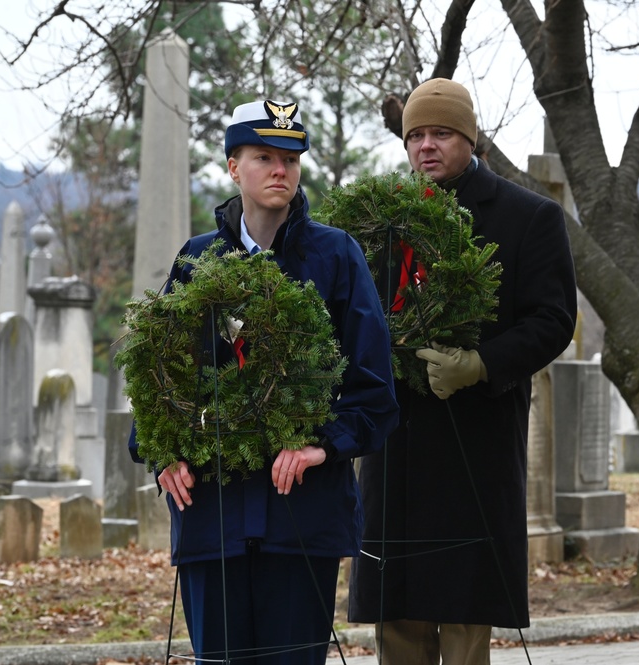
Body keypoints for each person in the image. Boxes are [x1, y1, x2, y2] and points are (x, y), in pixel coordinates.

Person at [128, 99, 399, 665]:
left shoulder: (335, 257)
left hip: (299, 516)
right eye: (264, 156)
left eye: (291, 158)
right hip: (214, 515)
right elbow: (161, 381)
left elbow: (374, 388)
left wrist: (321, 443)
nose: (281, 170)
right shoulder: (197, 262)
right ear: (233, 166)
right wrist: (163, 453)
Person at [349, 78, 578, 664]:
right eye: (417, 135)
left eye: (442, 134)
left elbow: (553, 319)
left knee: (465, 611)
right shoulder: (379, 223)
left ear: (469, 140)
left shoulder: (530, 217)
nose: (427, 146)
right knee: (397, 617)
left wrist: (481, 364)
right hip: (396, 445)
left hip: (476, 441)